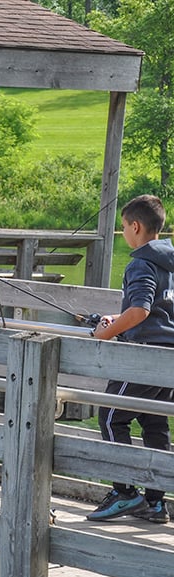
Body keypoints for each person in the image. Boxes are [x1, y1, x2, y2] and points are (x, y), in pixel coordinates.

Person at [85, 194, 174, 524]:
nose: (123, 233)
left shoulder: (140, 262)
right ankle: (155, 502)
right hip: (168, 359)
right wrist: (115, 317)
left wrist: (104, 333)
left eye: (123, 227)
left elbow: (139, 311)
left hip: (143, 357)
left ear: (135, 226)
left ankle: (125, 492)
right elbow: (158, 312)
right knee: (154, 423)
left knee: (110, 416)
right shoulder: (170, 262)